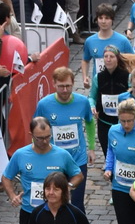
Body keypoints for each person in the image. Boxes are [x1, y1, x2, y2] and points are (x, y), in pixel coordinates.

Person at [36, 68, 98, 208]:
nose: (64, 90)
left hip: (77, 159)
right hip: (54, 160)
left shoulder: (83, 102)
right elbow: (36, 129)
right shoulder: (44, 104)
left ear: (73, 83)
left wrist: (92, 148)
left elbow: (89, 122)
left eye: (68, 86)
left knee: (77, 202)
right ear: (54, 84)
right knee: (53, 200)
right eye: (61, 86)